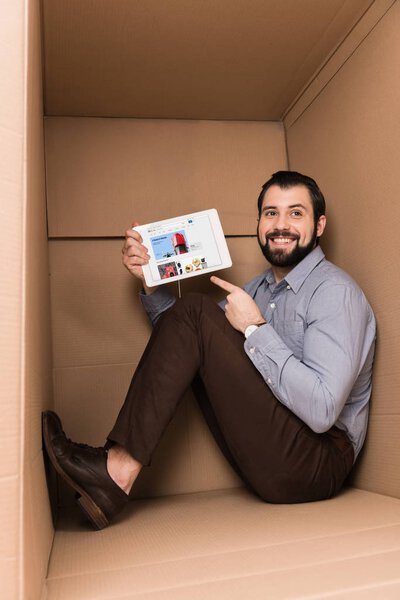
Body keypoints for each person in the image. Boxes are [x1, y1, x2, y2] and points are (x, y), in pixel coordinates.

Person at [42, 171, 376, 530]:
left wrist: (255, 328)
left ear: (319, 224)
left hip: (316, 464)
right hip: (269, 455)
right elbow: (185, 343)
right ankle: (113, 473)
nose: (281, 225)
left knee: (198, 310)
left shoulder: (335, 293)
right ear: (259, 223)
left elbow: (324, 410)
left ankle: (116, 472)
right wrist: (151, 282)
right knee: (195, 314)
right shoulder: (259, 289)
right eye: (270, 213)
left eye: (296, 213)